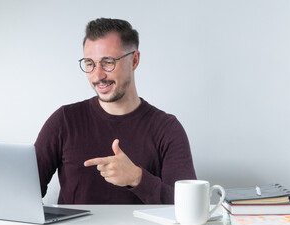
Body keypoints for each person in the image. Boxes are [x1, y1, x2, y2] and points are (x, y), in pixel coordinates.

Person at [35, 18, 196, 204]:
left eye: (108, 62)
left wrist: (138, 178)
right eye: (90, 63)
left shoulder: (167, 128)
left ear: (134, 60)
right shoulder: (64, 120)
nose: (97, 76)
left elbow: (188, 205)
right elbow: (25, 188)